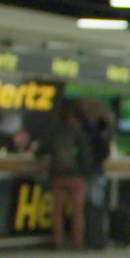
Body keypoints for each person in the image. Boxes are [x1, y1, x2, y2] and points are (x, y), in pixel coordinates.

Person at [41, 100, 91, 250]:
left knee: (57, 210)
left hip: (58, 175)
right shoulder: (79, 133)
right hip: (76, 176)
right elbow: (86, 156)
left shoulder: (54, 131)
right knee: (77, 211)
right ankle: (78, 242)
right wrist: (84, 174)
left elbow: (41, 150)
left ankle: (58, 241)